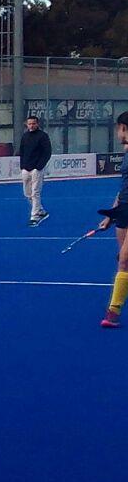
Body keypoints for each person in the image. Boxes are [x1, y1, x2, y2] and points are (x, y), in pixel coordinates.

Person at [100, 112, 128, 328]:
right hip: (124, 210)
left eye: (119, 129)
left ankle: (113, 311)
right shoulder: (126, 153)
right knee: (122, 258)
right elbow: (123, 189)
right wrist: (112, 213)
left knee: (125, 259)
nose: (117, 133)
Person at [19, 114, 52, 226]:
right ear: (26, 125)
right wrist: (22, 166)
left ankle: (34, 216)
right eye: (29, 124)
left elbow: (47, 152)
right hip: (26, 168)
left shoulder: (43, 136)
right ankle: (41, 210)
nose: (31, 126)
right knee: (27, 193)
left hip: (37, 169)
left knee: (35, 192)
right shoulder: (25, 136)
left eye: (33, 123)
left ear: (37, 124)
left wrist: (39, 166)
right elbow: (22, 151)